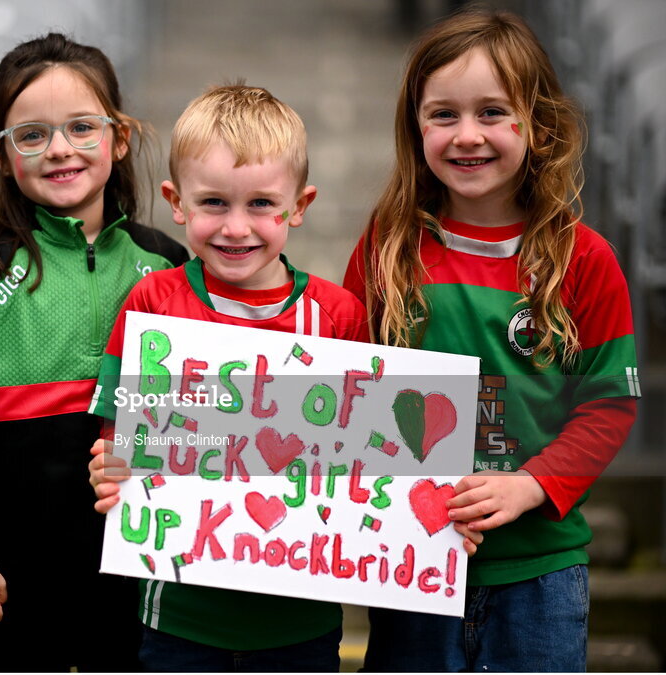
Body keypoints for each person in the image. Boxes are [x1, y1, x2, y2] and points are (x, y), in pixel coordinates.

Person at [342, 9, 639, 672]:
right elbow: (348, 386)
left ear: (537, 125)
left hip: (540, 574)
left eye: (492, 112)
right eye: (443, 114)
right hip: (410, 561)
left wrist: (530, 484)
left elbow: (609, 405)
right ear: (414, 126)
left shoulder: (583, 260)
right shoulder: (388, 247)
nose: (466, 134)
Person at [0, 33, 188, 672]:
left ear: (118, 138)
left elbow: (198, 416)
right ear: (2, 152)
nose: (60, 150)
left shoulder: (169, 264)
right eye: (32, 135)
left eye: (81, 127)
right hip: (17, 575)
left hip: (139, 572)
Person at [86, 84, 367, 672]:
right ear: (176, 202)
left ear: (300, 205)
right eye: (214, 202)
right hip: (177, 620)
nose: (236, 227)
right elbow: (119, 437)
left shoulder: (338, 317)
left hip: (303, 622)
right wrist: (111, 467)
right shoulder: (154, 306)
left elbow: (369, 468)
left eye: (262, 204)